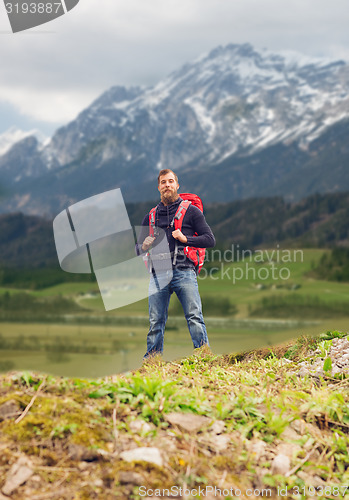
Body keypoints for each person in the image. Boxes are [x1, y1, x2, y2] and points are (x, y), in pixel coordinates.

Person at [136, 169, 216, 358]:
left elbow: (210, 240)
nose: (167, 185)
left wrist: (185, 239)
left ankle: (204, 356)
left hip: (184, 271)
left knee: (194, 316)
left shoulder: (191, 211)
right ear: (158, 187)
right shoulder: (150, 216)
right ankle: (152, 362)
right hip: (158, 274)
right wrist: (144, 245)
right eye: (163, 182)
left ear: (177, 185)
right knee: (156, 321)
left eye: (171, 181)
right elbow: (137, 249)